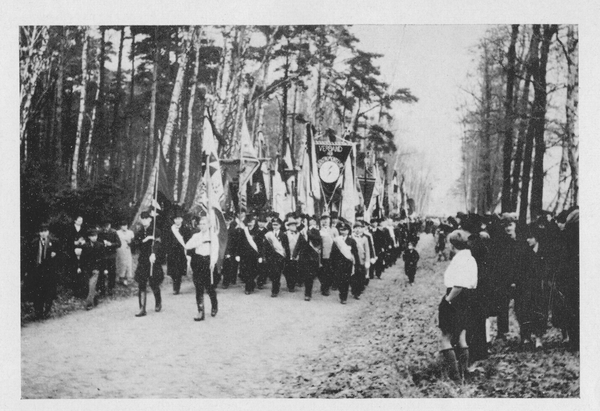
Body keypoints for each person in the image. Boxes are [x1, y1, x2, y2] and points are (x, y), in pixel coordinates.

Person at [438, 230, 478, 382]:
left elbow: (459, 285)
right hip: (468, 299)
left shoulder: (459, 260)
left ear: (453, 245)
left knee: (445, 338)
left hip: (456, 298)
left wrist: (447, 300)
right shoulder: (470, 258)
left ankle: (454, 375)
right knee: (461, 336)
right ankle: (463, 371)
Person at [185, 215, 219, 321]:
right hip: (198, 261)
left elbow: (215, 250)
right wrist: (199, 241)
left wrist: (213, 262)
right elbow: (187, 246)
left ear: (209, 225)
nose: (203, 226)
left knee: (209, 287)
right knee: (198, 287)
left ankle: (214, 306)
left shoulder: (213, 236)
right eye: (201, 224)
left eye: (205, 224)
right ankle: (200, 311)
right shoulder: (196, 236)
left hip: (208, 262)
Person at [132, 211, 165, 317]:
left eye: (146, 219)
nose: (144, 221)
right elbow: (134, 245)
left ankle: (158, 302)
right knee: (141, 283)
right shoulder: (139, 232)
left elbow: (158, 244)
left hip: (153, 260)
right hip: (143, 260)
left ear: (150, 219)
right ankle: (142, 308)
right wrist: (144, 240)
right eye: (142, 219)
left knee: (154, 283)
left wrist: (154, 253)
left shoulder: (156, 231)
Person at [25, 223, 60, 319]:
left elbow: (61, 254)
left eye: (45, 231)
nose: (43, 234)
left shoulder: (54, 241)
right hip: (38, 271)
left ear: (48, 232)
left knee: (49, 291)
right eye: (42, 232)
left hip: (49, 271)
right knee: (38, 292)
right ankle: (38, 312)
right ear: (39, 233)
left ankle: (47, 310)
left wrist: (55, 254)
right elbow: (29, 257)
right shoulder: (34, 242)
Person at [330, 222, 360, 304]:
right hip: (338, 264)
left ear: (348, 231)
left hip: (348, 264)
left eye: (345, 230)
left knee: (346, 281)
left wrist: (357, 264)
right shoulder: (337, 240)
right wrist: (332, 263)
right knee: (340, 280)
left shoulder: (352, 241)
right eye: (341, 230)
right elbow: (333, 253)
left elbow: (355, 253)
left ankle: (344, 297)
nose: (343, 232)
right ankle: (341, 294)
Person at [164, 209, 190, 295]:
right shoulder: (170, 229)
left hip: (181, 253)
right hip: (172, 253)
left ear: (182, 219)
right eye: (176, 219)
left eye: (179, 218)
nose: (177, 220)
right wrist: (167, 250)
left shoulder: (185, 228)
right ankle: (175, 284)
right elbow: (166, 240)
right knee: (172, 271)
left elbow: (188, 241)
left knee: (178, 271)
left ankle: (176, 287)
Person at [81, 228, 104, 310]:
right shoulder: (85, 246)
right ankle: (95, 295)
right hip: (87, 268)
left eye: (95, 236)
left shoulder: (100, 245)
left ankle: (89, 304)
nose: (94, 238)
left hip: (96, 268)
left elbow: (102, 258)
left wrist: (103, 269)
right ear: (89, 237)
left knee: (91, 285)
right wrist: (80, 267)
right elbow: (82, 258)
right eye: (92, 236)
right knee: (89, 285)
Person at [264, 217, 287, 297]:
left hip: (280, 257)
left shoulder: (283, 235)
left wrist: (285, 258)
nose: (275, 226)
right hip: (271, 257)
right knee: (272, 273)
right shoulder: (269, 234)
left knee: (277, 273)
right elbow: (266, 246)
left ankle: (275, 290)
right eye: (273, 225)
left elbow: (286, 247)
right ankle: (276, 285)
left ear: (280, 225)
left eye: (276, 225)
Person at [238, 215, 260, 294]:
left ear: (254, 222)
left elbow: (260, 245)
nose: (250, 223)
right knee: (246, 272)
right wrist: (238, 254)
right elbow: (239, 243)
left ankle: (251, 284)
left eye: (252, 222)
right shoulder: (244, 231)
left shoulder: (258, 231)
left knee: (253, 272)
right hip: (245, 255)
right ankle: (248, 288)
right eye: (249, 222)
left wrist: (260, 256)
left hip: (254, 255)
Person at [98, 220, 121, 296]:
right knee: (102, 272)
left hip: (111, 255)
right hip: (103, 255)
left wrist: (111, 244)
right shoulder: (100, 232)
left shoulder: (114, 232)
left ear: (110, 225)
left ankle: (111, 288)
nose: (106, 229)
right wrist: (103, 244)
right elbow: (97, 242)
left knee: (112, 272)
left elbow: (119, 244)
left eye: (108, 227)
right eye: (105, 227)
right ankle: (102, 289)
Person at [299, 222, 322, 301]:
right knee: (308, 277)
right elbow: (299, 244)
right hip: (306, 258)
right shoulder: (304, 234)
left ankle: (324, 288)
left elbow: (318, 239)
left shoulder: (317, 233)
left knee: (313, 277)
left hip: (314, 259)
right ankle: (307, 294)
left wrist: (309, 235)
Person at [282, 217, 305, 293]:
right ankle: (289, 284)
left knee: (295, 270)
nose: (293, 227)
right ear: (288, 226)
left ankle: (292, 285)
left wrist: (298, 254)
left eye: (294, 225)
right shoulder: (285, 234)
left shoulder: (299, 234)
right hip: (287, 256)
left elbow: (302, 245)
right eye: (291, 225)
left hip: (296, 256)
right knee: (287, 271)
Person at [319, 214, 338, 295]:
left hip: (331, 254)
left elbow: (338, 242)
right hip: (321, 254)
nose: (325, 221)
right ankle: (324, 285)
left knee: (329, 271)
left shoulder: (334, 230)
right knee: (321, 271)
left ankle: (326, 288)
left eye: (327, 219)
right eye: (323, 219)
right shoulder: (319, 230)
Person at [221, 212, 241, 289]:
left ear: (230, 221)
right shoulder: (220, 230)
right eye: (225, 220)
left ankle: (225, 282)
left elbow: (235, 243)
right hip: (221, 251)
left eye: (228, 220)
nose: (226, 222)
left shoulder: (234, 231)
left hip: (230, 252)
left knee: (228, 267)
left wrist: (233, 253)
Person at [351, 221, 370, 299]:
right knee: (353, 277)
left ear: (362, 229)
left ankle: (358, 291)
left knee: (360, 276)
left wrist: (367, 261)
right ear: (353, 229)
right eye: (356, 228)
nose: (358, 230)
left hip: (361, 260)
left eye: (359, 228)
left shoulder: (365, 238)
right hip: (353, 260)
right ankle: (354, 291)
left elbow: (367, 250)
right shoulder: (351, 237)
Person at [115, 221, 134, 286]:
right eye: (123, 225)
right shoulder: (117, 232)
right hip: (120, 249)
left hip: (127, 249)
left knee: (128, 263)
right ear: (120, 226)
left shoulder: (130, 232)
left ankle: (127, 278)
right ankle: (121, 278)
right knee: (121, 263)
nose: (124, 227)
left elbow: (133, 242)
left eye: (125, 225)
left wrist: (130, 243)